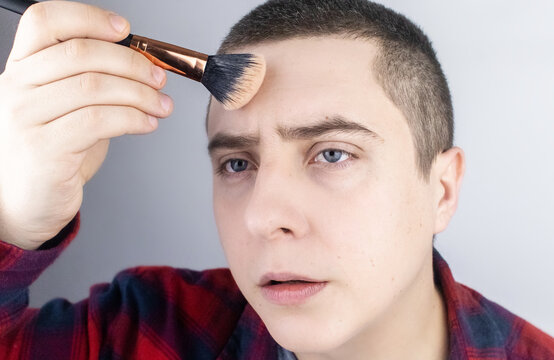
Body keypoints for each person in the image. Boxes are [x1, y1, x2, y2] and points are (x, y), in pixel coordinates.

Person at [0, 0, 552, 359]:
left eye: (333, 154)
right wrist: (15, 220)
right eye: (237, 163)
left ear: (442, 190)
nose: (264, 216)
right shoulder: (148, 327)